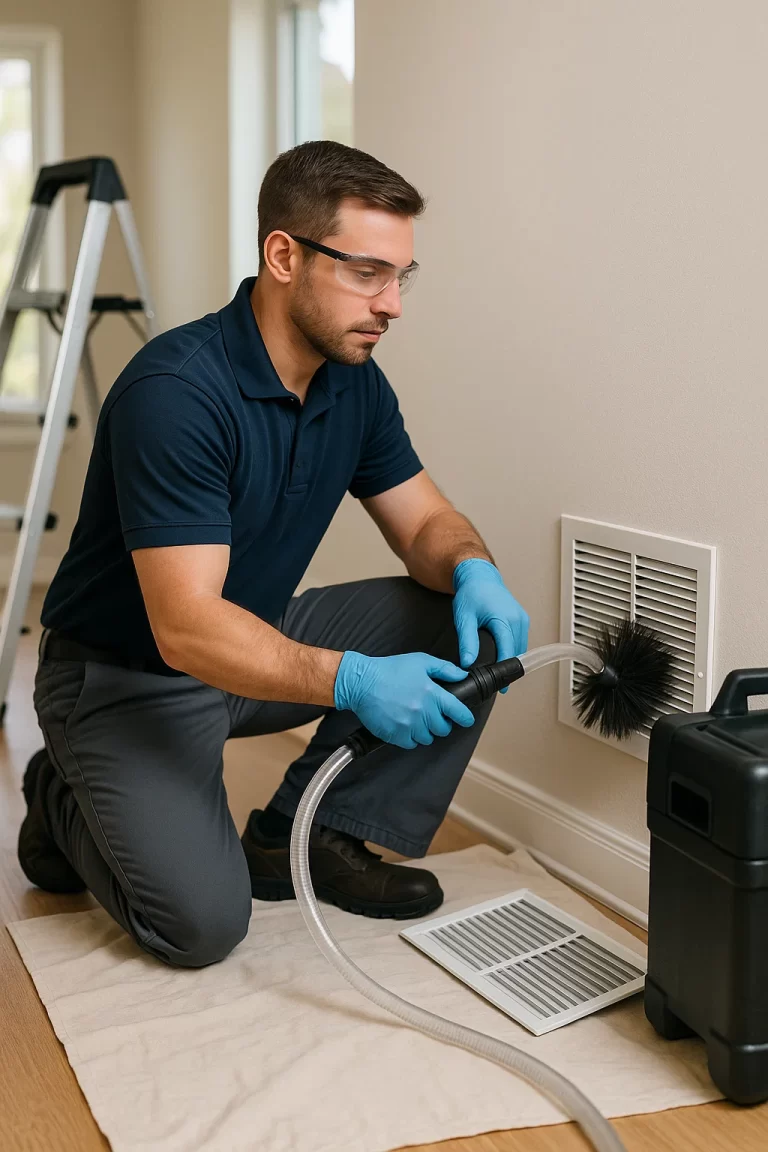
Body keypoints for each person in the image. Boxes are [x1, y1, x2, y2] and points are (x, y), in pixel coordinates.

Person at [18, 140, 529, 968]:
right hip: (127, 676)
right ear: (283, 255)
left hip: (250, 640)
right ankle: (60, 791)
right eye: (368, 272)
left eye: (402, 276)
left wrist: (474, 568)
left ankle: (309, 835)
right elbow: (184, 628)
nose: (392, 303)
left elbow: (425, 523)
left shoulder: (351, 379)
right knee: (202, 926)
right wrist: (355, 680)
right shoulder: (177, 394)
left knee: (456, 625)